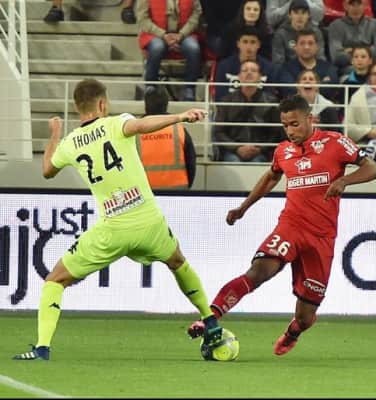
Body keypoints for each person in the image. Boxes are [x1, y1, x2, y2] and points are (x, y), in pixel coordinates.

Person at [13, 79, 222, 361]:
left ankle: (42, 348)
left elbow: (47, 170)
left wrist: (55, 135)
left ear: (77, 107)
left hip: (112, 230)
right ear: (102, 103)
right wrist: (180, 117)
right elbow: (142, 125)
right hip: (149, 222)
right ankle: (210, 320)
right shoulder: (116, 124)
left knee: (55, 279)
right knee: (178, 262)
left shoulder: (70, 143)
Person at [187, 94, 376, 356]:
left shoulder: (335, 142)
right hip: (290, 227)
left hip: (321, 237)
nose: (290, 131)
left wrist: (345, 181)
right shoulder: (283, 151)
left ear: (310, 119)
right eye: (285, 125)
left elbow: (372, 168)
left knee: (305, 316)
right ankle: (209, 318)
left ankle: (293, 332)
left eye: (295, 124)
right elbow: (270, 178)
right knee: (258, 271)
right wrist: (243, 207)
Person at [213, 60, 282, 162]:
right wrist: (237, 148)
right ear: (239, 77)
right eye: (245, 70)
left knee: (257, 162)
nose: (249, 73)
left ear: (260, 77)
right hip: (232, 151)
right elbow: (219, 131)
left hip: (260, 152)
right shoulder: (226, 101)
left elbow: (276, 133)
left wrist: (260, 148)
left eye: (253, 70)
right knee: (234, 162)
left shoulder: (271, 102)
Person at [137, 0, 203, 101]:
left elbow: (196, 14)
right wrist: (163, 35)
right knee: (157, 48)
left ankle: (190, 88)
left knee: (193, 48)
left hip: (184, 34)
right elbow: (143, 19)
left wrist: (181, 34)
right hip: (156, 34)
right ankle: (150, 86)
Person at [137, 86, 197, 189]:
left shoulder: (135, 131)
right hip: (177, 190)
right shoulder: (179, 129)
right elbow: (191, 162)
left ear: (146, 105)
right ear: (166, 104)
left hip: (144, 191)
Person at [327, 0, 376, 77]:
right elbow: (337, 57)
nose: (356, 8)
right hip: (347, 72)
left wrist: (350, 50)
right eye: (351, 4)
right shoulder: (335, 26)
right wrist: (367, 52)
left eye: (359, 4)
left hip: (372, 72)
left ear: (365, 5)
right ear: (345, 5)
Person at [271, 0, 326, 65]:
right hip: (289, 70)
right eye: (296, 12)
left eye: (303, 13)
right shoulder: (281, 34)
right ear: (289, 15)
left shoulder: (316, 32)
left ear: (308, 15)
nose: (300, 16)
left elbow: (320, 58)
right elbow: (278, 63)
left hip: (312, 69)